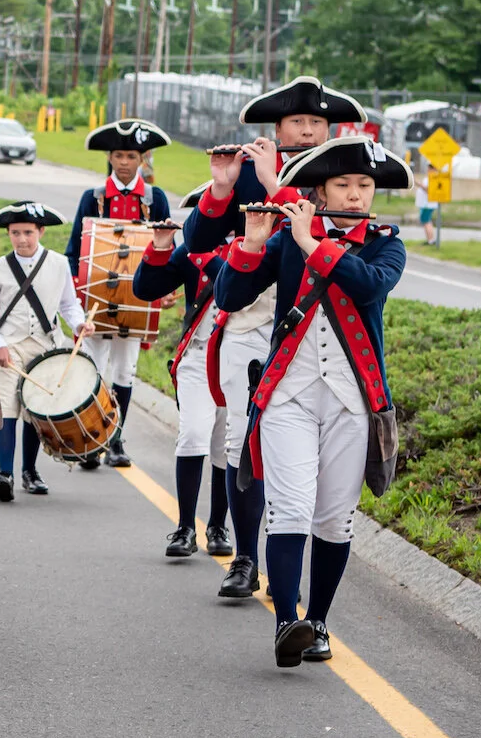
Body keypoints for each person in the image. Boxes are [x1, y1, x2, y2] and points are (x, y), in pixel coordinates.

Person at [211, 137, 407, 667]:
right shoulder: (289, 236)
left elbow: (368, 287)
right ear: (320, 191)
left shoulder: (387, 243)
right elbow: (228, 298)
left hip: (351, 398)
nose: (355, 194)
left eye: (364, 186)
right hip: (287, 395)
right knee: (290, 507)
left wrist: (310, 240)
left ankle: (318, 621)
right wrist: (253, 243)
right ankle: (285, 624)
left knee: (334, 518)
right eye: (343, 185)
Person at [184, 75, 358, 599]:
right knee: (242, 440)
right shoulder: (251, 170)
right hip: (253, 318)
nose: (307, 132)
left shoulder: (344, 174)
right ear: (278, 127)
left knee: (307, 462)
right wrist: (221, 186)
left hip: (317, 330)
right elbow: (198, 241)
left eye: (316, 123)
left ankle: (291, 561)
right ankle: (245, 556)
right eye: (297, 123)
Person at [64, 119, 174, 471]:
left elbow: (168, 250)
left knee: (125, 372)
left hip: (137, 300)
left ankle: (116, 439)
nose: (124, 162)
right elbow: (73, 251)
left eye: (131, 155)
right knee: (94, 370)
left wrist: (167, 288)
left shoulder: (156, 200)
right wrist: (73, 294)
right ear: (109, 158)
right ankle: (92, 438)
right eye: (117, 155)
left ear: (143, 159)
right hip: (95, 301)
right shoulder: (92, 199)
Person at [133, 187, 234, 558]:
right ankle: (185, 527)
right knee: (193, 434)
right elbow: (146, 288)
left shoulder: (259, 245)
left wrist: (206, 258)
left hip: (241, 360)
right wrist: (160, 247)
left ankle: (219, 526)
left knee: (227, 444)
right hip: (196, 355)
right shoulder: (191, 249)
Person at [0, 201, 82, 502]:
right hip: (8, 345)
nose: (21, 239)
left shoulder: (59, 264)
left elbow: (68, 304)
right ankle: (5, 473)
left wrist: (79, 324)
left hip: (45, 346)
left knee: (34, 410)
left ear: (41, 231)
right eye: (15, 233)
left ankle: (30, 471)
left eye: (28, 232)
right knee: (7, 408)